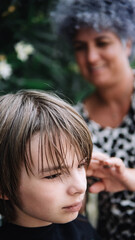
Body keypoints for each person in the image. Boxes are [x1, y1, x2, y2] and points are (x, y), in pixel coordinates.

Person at [51, 0, 135, 239]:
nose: (91, 57)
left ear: (127, 43)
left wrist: (128, 177)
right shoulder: (74, 120)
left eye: (102, 43)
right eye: (80, 47)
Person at [0, 89, 101, 240]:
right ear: (3, 187)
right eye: (53, 175)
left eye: (80, 165)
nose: (80, 187)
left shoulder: (80, 226)